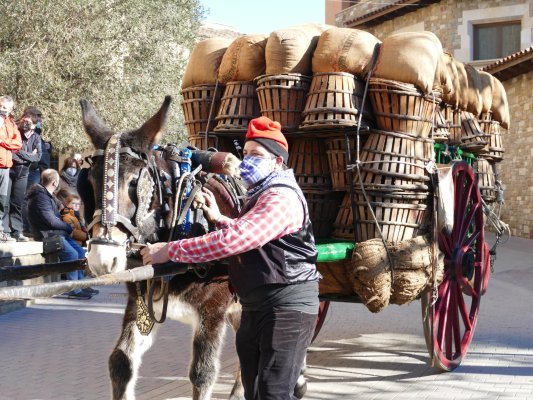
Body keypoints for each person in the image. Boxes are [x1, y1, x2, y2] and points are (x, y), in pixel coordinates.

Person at [141, 116, 320, 399]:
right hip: (256, 306)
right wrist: (219, 218)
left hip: (286, 307)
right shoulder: (258, 194)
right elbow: (249, 233)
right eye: (245, 153)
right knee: (253, 391)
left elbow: (236, 241)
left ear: (277, 162)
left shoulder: (280, 197)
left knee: (273, 393)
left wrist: (169, 250)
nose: (247, 160)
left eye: (257, 155)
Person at [26, 169, 95, 299]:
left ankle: (81, 285)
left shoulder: (48, 195)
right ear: (55, 182)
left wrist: (69, 218)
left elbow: (62, 209)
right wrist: (69, 227)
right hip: (46, 236)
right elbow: (51, 221)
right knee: (72, 254)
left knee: (80, 252)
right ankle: (73, 289)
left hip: (57, 233)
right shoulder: (40, 197)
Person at [3, 109, 42, 241]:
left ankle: (17, 231)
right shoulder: (15, 132)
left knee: (17, 203)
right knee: (5, 202)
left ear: (34, 125)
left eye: (28, 122)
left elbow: (38, 157)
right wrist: (28, 156)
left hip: (23, 174)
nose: (24, 124)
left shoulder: (36, 137)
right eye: (24, 120)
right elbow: (12, 151)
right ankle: (5, 231)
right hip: (9, 170)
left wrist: (21, 153)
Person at [0, 95, 22, 243]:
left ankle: (0, 231)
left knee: (2, 200)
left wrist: (3, 141)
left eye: (6, 108)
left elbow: (18, 143)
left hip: (5, 166)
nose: (3, 110)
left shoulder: (11, 123)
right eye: (1, 107)